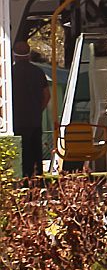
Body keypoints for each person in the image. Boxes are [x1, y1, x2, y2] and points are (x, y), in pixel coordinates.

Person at [12, 40, 51, 178]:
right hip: (34, 119)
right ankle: (37, 179)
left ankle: (22, 179)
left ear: (14, 55)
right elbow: (47, 95)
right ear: (29, 54)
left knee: (20, 152)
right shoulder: (38, 72)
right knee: (35, 151)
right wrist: (38, 110)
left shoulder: (8, 73)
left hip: (15, 120)